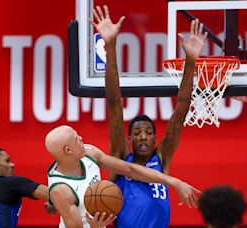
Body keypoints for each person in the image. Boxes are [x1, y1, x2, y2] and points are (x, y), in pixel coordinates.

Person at [89, 5, 207, 228]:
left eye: (148, 133)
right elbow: (115, 104)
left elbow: (181, 110)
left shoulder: (162, 159)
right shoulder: (121, 158)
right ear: (129, 140)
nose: (143, 137)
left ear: (155, 139)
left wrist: (191, 61)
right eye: (137, 133)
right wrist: (110, 45)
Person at [45, 125, 200, 228]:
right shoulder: (61, 190)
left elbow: (129, 169)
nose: (81, 138)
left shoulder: (89, 153)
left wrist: (174, 181)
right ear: (68, 150)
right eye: (76, 138)